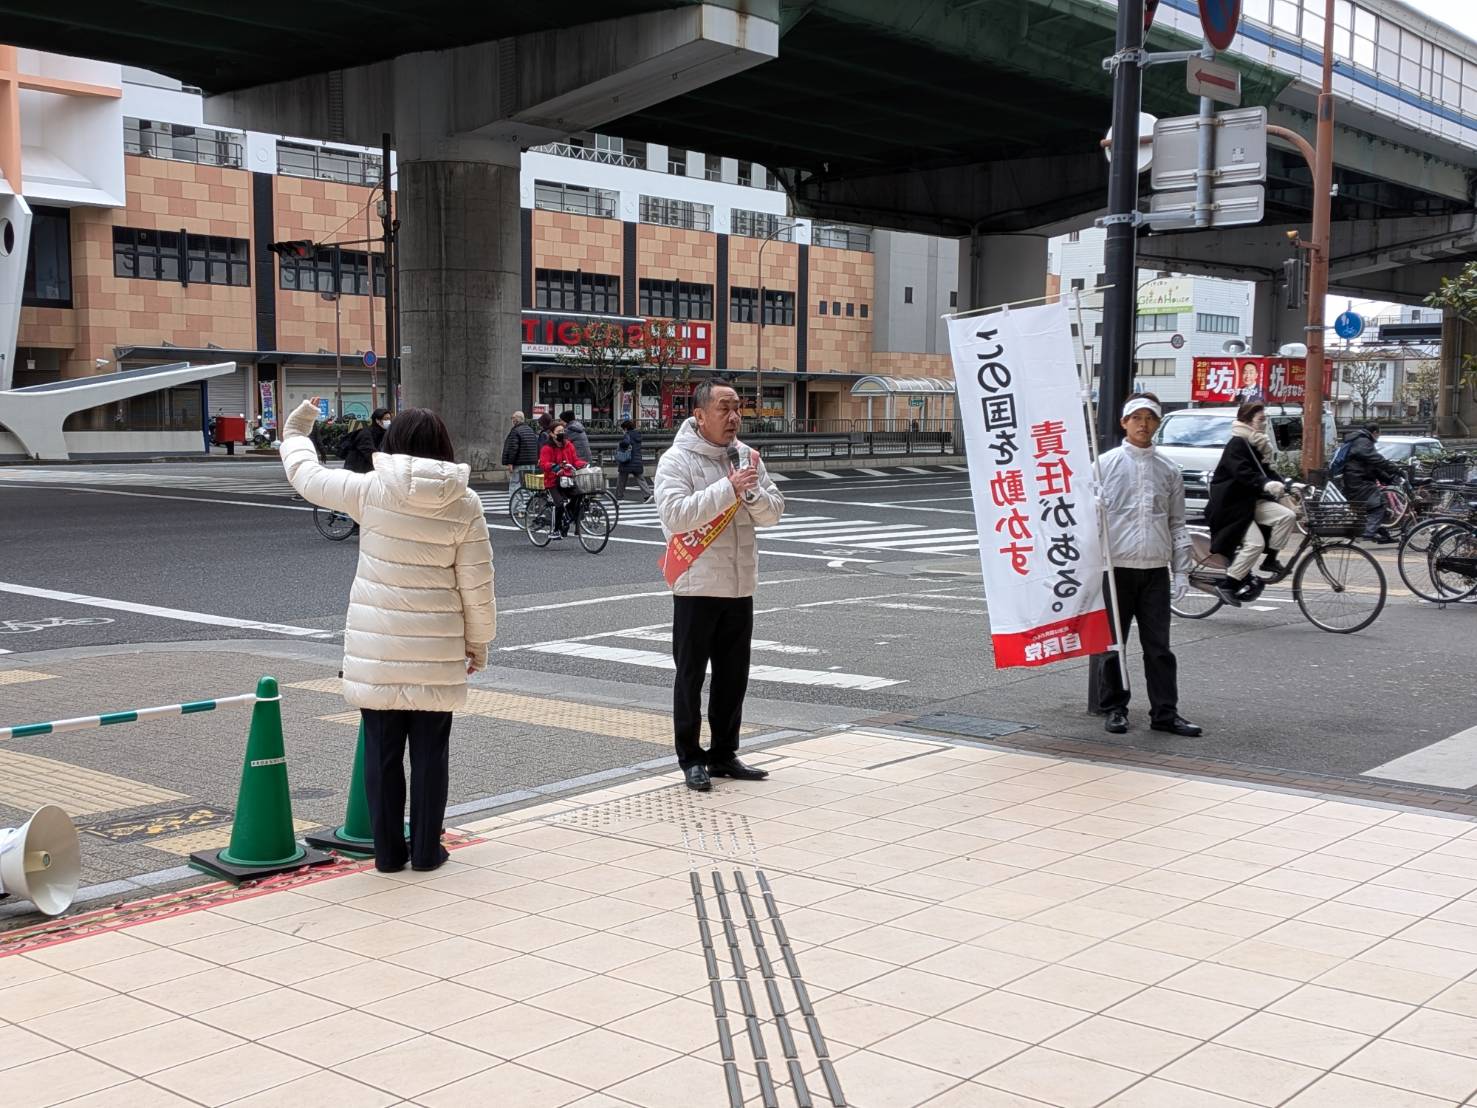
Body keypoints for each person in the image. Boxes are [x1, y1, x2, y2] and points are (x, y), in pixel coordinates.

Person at [279, 397, 494, 873]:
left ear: (392, 442)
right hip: (437, 647)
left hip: (378, 646)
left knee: (381, 752)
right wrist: (478, 644)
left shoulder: (371, 490)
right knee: (431, 754)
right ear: (443, 445)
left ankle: (388, 854)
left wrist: (297, 429)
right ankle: (427, 851)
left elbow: (306, 476)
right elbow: (477, 583)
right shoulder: (465, 501)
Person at [655, 380, 785, 791]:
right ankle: (691, 758)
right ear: (699, 415)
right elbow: (676, 516)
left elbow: (774, 513)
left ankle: (724, 753)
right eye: (724, 408)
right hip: (696, 586)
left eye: (737, 408)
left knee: (733, 676)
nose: (734, 417)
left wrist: (751, 494)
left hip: (740, 584)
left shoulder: (746, 457)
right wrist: (728, 488)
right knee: (690, 677)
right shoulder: (676, 460)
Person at [1091, 393, 1203, 738]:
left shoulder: (1169, 470)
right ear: (1124, 422)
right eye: (1136, 417)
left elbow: (1177, 522)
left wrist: (1181, 570)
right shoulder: (1103, 465)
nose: (1143, 424)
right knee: (1114, 645)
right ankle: (1115, 708)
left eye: (1150, 418)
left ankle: (1165, 713)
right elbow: (1086, 521)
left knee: (1159, 648)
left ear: (1157, 423)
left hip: (1155, 568)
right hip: (1115, 568)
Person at [1205, 401, 1298, 606]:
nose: (1264, 424)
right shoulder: (1237, 443)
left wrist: (1288, 484)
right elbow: (1243, 473)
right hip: (1232, 506)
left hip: (1251, 502)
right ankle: (1228, 585)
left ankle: (1270, 560)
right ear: (1247, 421)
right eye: (1260, 420)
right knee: (1255, 543)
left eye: (1265, 419)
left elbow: (1267, 471)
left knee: (1287, 516)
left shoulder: (1257, 443)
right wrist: (1266, 484)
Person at [1342, 422, 1401, 544]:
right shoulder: (1363, 442)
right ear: (1375, 433)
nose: (1378, 437)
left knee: (1374, 506)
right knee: (1379, 505)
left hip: (1357, 480)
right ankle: (1368, 533)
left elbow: (1372, 466)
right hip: (1358, 482)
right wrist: (1395, 469)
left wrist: (1388, 478)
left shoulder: (1360, 441)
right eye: (1379, 434)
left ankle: (1382, 534)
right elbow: (1377, 460)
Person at [538, 419, 588, 538]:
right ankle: (556, 530)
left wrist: (584, 464)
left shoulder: (569, 445)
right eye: (558, 431)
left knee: (580, 493)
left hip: (567, 478)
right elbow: (543, 463)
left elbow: (574, 460)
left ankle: (568, 513)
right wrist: (554, 467)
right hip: (553, 480)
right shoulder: (547, 448)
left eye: (563, 431)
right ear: (552, 434)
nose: (562, 433)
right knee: (559, 503)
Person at [341, 408, 392, 475]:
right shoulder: (365, 434)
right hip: (356, 471)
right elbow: (371, 453)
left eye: (389, 419)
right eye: (386, 419)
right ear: (377, 420)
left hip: (368, 471)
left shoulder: (383, 433)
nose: (388, 421)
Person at [614, 418, 653, 502]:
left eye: (623, 429)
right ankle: (648, 495)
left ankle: (618, 496)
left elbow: (626, 443)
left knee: (621, 480)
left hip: (627, 461)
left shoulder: (627, 435)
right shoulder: (638, 435)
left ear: (625, 428)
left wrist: (621, 444)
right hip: (637, 461)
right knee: (640, 479)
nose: (622, 431)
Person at [500, 410, 540, 478]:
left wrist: (510, 462)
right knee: (528, 483)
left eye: (513, 418)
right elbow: (536, 446)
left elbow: (513, 448)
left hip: (520, 464)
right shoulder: (530, 430)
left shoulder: (516, 431)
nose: (512, 420)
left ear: (516, 419)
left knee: (517, 483)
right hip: (532, 463)